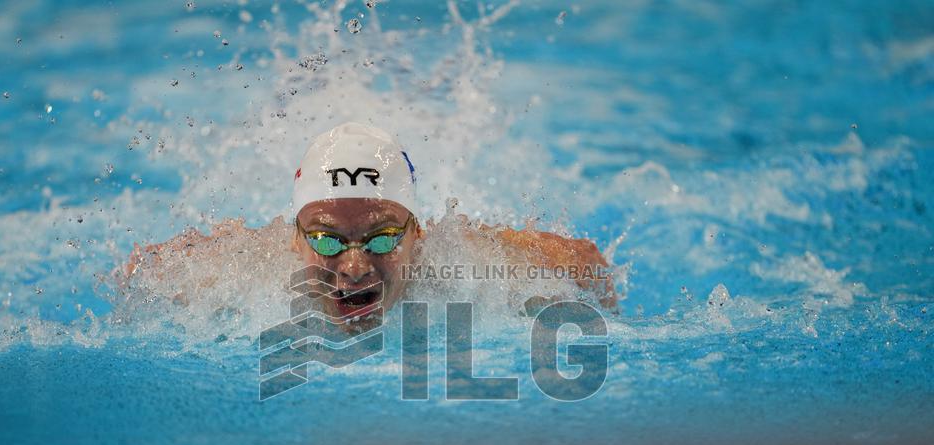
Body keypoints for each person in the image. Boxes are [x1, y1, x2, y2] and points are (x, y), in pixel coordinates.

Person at [123, 122, 615, 321]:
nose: (355, 266)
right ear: (293, 240)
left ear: (418, 237)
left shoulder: (467, 263)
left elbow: (586, 261)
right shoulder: (246, 269)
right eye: (327, 240)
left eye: (381, 240)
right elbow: (142, 270)